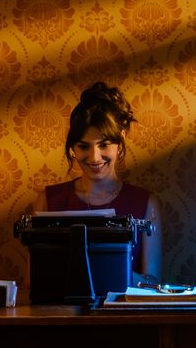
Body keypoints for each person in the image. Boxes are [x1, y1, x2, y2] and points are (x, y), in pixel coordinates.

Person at [33, 81, 162, 284]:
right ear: (73, 148)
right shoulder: (49, 201)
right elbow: (33, 281)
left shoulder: (145, 203)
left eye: (104, 145)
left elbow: (153, 283)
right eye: (84, 146)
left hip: (122, 305)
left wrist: (105, 267)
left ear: (121, 140)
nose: (94, 157)